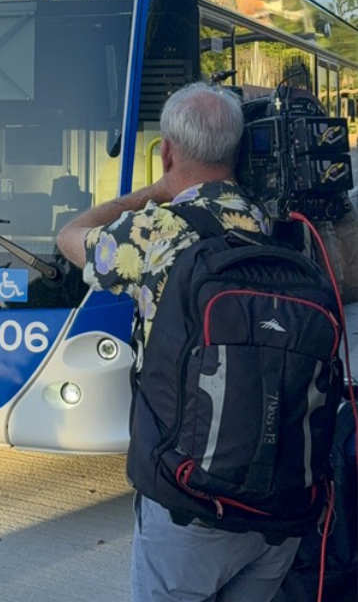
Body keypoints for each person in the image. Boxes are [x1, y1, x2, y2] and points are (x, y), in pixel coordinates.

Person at [56, 82, 300, 602]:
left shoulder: (157, 230)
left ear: (167, 151)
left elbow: (70, 237)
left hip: (190, 502)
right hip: (281, 502)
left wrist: (150, 193)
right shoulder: (275, 222)